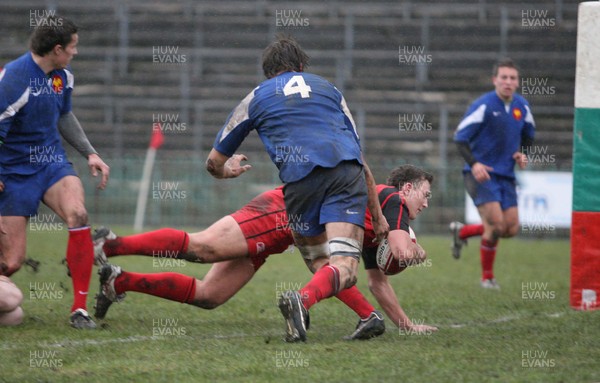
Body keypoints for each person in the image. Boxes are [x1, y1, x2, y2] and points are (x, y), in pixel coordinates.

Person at [93, 165, 437, 339]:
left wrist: (406, 325)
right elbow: (402, 253)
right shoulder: (392, 200)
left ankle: (119, 282)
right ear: (407, 188)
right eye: (425, 194)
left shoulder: (376, 220)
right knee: (202, 246)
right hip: (282, 213)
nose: (426, 202)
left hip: (290, 229)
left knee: (209, 295)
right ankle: (110, 244)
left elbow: (378, 282)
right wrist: (416, 250)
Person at [204, 35, 388, 341]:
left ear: (268, 73)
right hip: (344, 172)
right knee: (345, 266)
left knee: (319, 261)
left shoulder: (256, 96)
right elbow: (360, 156)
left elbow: (212, 162)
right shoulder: (330, 90)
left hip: (299, 184)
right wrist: (378, 216)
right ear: (301, 66)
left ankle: (366, 317)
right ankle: (301, 301)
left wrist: (226, 172)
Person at [0, 15, 110, 328]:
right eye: (73, 47)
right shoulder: (13, 80)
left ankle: (80, 310)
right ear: (57, 49)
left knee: (78, 215)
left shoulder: (62, 75)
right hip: (12, 172)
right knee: (11, 262)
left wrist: (90, 153)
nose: (75, 53)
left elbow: (64, 116)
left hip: (51, 163)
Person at [450, 58, 535, 289]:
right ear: (495, 80)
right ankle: (487, 278)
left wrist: (522, 153)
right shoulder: (484, 105)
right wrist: (475, 163)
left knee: (511, 228)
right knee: (496, 225)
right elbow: (460, 137)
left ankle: (462, 232)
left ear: (517, 82)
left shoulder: (522, 107)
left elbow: (529, 135)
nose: (508, 81)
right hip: (480, 174)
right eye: (504, 77)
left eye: (512, 78)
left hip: (506, 174)